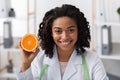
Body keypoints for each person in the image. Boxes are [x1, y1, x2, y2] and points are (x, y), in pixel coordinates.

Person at [17, 4, 108, 80]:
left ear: (79, 31)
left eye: (71, 30)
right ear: (51, 33)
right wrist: (26, 63)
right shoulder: (39, 59)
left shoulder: (92, 60)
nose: (65, 37)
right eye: (58, 31)